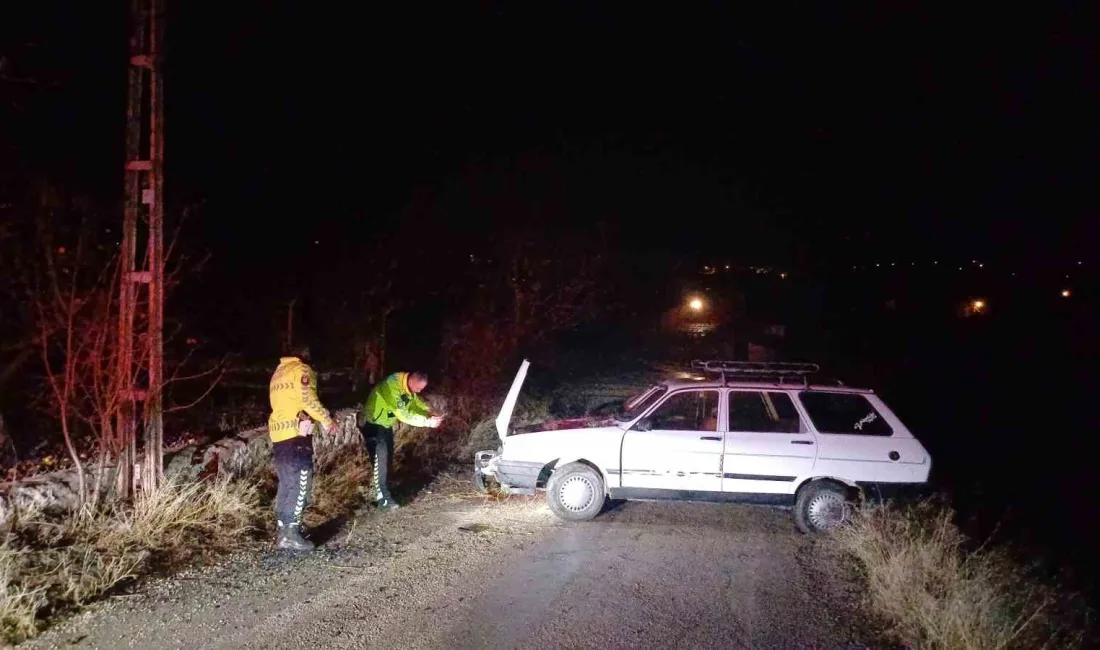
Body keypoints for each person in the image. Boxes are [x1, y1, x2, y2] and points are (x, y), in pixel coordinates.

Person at [267, 345, 336, 550]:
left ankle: (282, 531)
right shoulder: (302, 370)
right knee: (301, 483)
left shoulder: (278, 373)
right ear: (305, 356)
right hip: (296, 434)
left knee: (287, 483)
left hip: (279, 435)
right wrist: (326, 420)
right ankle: (292, 534)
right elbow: (308, 400)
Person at [359, 371, 443, 510]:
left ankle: (387, 489)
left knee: (387, 459)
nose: (419, 391)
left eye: (421, 389)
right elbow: (403, 414)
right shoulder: (392, 386)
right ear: (412, 380)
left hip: (384, 424)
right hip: (373, 423)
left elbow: (414, 404)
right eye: (418, 388)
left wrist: (429, 413)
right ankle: (383, 499)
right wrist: (427, 422)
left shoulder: (408, 388)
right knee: (381, 461)